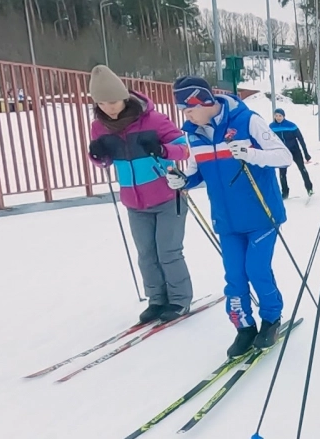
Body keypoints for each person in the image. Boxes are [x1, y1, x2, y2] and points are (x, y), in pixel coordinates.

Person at [165, 76, 294, 357]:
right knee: (234, 277)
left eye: (188, 108)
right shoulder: (194, 134)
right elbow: (196, 171)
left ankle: (271, 319)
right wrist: (182, 181)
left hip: (262, 214)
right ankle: (244, 327)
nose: (185, 115)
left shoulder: (247, 121)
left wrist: (251, 154)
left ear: (204, 102)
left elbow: (284, 157)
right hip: (226, 220)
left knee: (257, 271)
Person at [87, 65, 195, 324]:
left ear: (124, 97)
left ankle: (179, 300)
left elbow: (183, 149)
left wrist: (162, 148)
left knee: (168, 251)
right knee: (146, 254)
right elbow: (105, 162)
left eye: (112, 101)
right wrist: (98, 157)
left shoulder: (154, 120)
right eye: (101, 104)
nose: (108, 108)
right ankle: (157, 300)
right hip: (134, 202)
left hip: (168, 197)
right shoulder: (99, 127)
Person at [270, 108, 313, 199]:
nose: (278, 117)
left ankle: (309, 188)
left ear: (284, 116)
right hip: (282, 152)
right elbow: (269, 140)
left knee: (302, 169)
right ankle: (285, 192)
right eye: (276, 115)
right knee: (282, 173)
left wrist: (306, 153)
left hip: (295, 150)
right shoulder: (271, 127)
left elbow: (301, 139)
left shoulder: (291, 126)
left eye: (280, 116)